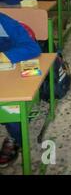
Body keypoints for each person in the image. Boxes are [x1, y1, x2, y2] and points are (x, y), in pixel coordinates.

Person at [0, 13, 41, 168]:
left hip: (12, 72)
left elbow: (31, 48)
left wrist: (4, 56)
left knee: (10, 107)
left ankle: (16, 138)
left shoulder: (4, 22)